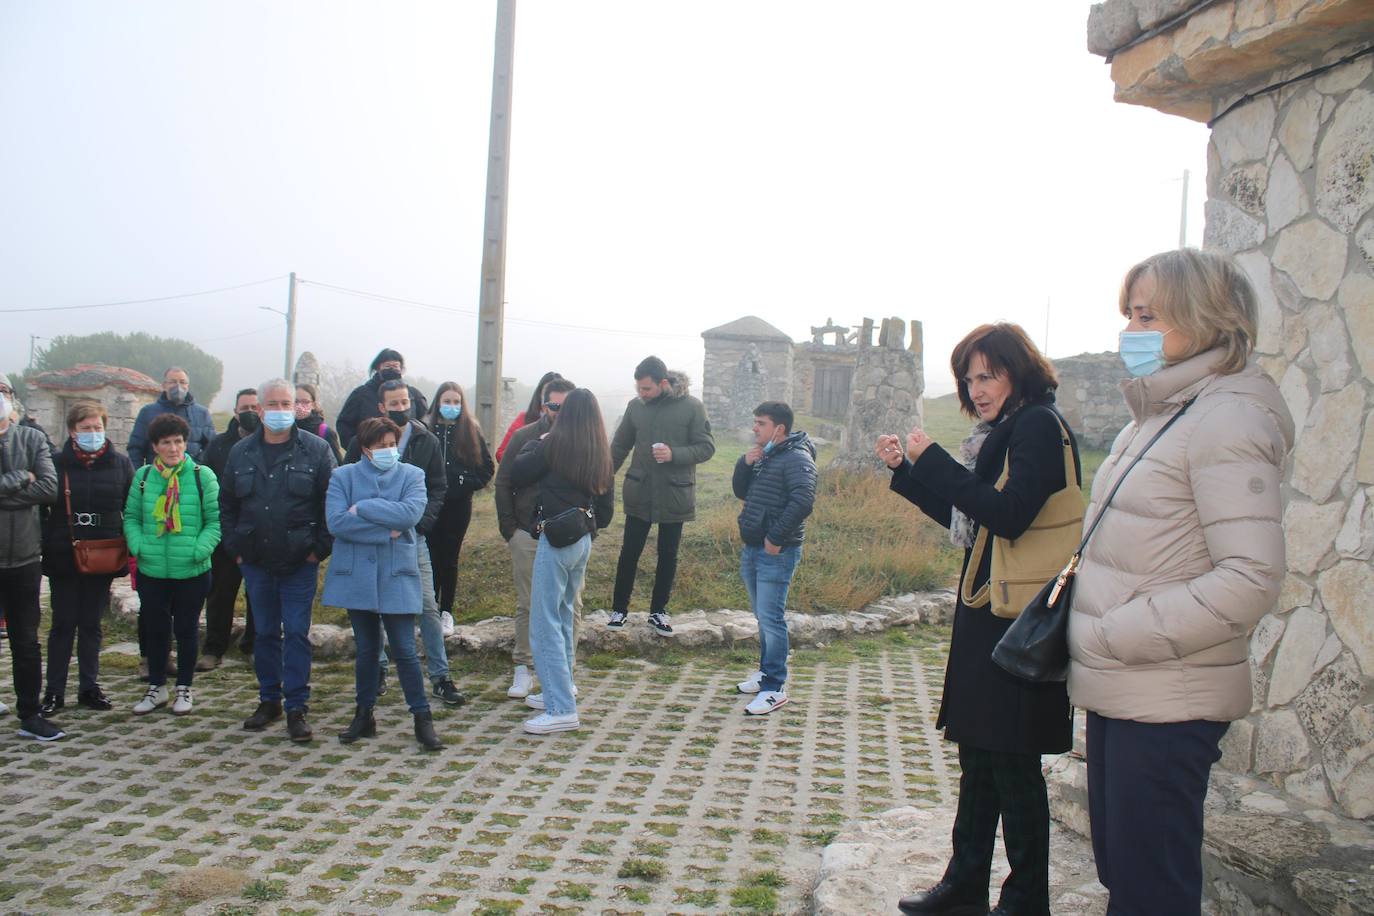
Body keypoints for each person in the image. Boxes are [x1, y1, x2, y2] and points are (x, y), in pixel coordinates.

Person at [1069, 249, 1293, 916]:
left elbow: (1251, 576)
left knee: (1152, 892)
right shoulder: (1167, 410)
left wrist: (1118, 633)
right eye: (1129, 316)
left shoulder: (1228, 417)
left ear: (1205, 318)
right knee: (1126, 874)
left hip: (1166, 691)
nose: (1131, 332)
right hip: (1128, 686)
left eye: (1148, 317)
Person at [884, 323, 1080, 916]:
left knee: (1014, 764)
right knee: (980, 757)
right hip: (990, 615)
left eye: (989, 375)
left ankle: (1026, 899)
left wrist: (935, 461)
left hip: (1017, 620)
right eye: (969, 379)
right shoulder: (1003, 432)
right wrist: (909, 473)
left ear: (1018, 372)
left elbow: (1011, 515)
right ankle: (965, 885)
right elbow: (973, 520)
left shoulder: (1037, 426)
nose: (977, 388)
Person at [220, 378, 336, 742]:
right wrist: (236, 549)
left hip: (300, 561)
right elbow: (227, 505)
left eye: (287, 404)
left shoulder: (316, 450)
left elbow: (332, 502)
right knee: (265, 633)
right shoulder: (241, 452)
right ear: (259, 409)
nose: (281, 411)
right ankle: (269, 700)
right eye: (273, 404)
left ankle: (297, 706)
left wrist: (319, 549)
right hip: (256, 561)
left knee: (297, 633)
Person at [342, 380, 465, 706]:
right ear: (381, 407)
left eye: (404, 402)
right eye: (394, 404)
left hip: (413, 539)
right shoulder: (360, 442)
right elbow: (349, 485)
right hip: (372, 541)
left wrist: (421, 522)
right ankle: (378, 671)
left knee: (428, 607)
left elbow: (438, 487)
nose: (401, 408)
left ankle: (441, 676)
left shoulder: (426, 440)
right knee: (374, 606)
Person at [324, 417, 442, 751]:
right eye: (381, 446)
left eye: (392, 445)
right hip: (357, 576)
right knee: (366, 649)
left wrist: (362, 507)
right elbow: (337, 522)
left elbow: (409, 516)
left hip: (396, 574)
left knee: (404, 649)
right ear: (365, 449)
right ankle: (363, 715)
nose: (389, 451)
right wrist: (385, 530)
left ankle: (422, 718)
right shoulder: (343, 476)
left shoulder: (412, 475)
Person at [510, 388, 614, 735]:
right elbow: (607, 510)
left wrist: (539, 443)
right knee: (565, 614)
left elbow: (518, 472)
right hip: (582, 538)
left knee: (545, 623)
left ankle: (561, 708)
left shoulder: (552, 445)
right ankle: (562, 687)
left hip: (556, 539)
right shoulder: (601, 451)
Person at [608, 356, 715, 636]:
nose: (641, 394)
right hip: (640, 490)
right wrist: (601, 477)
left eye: (646, 388)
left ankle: (658, 612)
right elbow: (619, 446)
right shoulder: (635, 407)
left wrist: (674, 454)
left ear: (663, 383)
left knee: (668, 554)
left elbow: (706, 447)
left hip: (674, 492)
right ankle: (619, 610)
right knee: (629, 552)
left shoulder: (692, 407)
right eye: (639, 388)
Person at [40, 400, 134, 714]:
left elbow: (131, 506)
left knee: (92, 623)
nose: (93, 432)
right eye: (86, 428)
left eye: (97, 427)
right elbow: (42, 506)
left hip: (103, 553)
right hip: (64, 553)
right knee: (63, 624)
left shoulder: (121, 464)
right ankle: (54, 691)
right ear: (72, 431)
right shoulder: (56, 463)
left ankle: (89, 687)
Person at [124, 413, 221, 715]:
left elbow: (215, 521)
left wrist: (199, 549)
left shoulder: (202, 476)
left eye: (178, 441)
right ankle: (156, 687)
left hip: (192, 569)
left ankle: (184, 688)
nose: (173, 448)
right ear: (155, 446)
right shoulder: (143, 477)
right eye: (166, 442)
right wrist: (139, 546)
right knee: (155, 630)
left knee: (187, 629)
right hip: (152, 568)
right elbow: (131, 518)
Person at [731, 401, 816, 717]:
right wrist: (745, 463)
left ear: (779, 428)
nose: (754, 428)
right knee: (762, 616)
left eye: (761, 423)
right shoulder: (767, 455)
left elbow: (803, 500)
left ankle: (774, 688)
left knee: (771, 617)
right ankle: (766, 672)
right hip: (753, 548)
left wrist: (776, 538)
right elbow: (743, 492)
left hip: (775, 552)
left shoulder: (796, 458)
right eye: (755, 421)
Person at [494, 378, 577, 699]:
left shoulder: (582, 438)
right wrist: (510, 529)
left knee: (569, 603)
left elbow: (600, 480)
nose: (559, 412)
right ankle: (524, 668)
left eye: (566, 406)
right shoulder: (524, 436)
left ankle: (565, 672)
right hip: (528, 531)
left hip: (569, 533)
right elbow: (503, 482)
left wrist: (592, 526)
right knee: (529, 602)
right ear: (544, 406)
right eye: (554, 406)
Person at [0, 378, 62, 740]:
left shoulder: (32, 439)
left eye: (3, 391)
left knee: (25, 641)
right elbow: (34, 484)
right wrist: (21, 478)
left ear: (12, 397)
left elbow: (49, 488)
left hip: (24, 558)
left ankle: (30, 714)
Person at [197, 388, 261, 670]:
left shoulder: (270, 442)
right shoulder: (219, 445)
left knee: (257, 594)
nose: (250, 412)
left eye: (255, 407)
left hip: (260, 533)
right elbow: (206, 484)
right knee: (220, 593)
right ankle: (213, 649)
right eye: (244, 408)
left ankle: (254, 645)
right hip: (226, 531)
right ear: (235, 412)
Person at [424, 382, 493, 635]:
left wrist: (464, 483)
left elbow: (486, 469)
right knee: (430, 557)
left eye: (456, 402)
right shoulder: (426, 430)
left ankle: (447, 611)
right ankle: (429, 610)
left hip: (458, 506)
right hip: (430, 505)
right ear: (437, 403)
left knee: (449, 559)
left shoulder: (471, 430)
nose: (451, 406)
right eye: (447, 401)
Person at [335, 349, 429, 449]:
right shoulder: (360, 394)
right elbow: (344, 424)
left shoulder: (414, 394)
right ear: (377, 368)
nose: (391, 369)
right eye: (387, 366)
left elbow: (425, 421)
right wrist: (359, 448)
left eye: (395, 366)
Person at [126, 367, 215, 467]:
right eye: (173, 382)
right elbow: (135, 449)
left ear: (187, 386)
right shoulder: (147, 412)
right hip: (157, 473)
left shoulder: (202, 413)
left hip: (191, 474)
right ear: (164, 385)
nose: (178, 386)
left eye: (182, 382)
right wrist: (140, 474)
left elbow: (211, 447)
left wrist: (197, 465)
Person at [495, 371, 561, 462]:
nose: (550, 395)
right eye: (547, 391)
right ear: (539, 394)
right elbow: (501, 454)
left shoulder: (570, 425)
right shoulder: (524, 419)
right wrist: (525, 461)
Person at [294, 382, 343, 465]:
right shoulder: (283, 429)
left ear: (313, 404)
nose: (299, 406)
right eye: (295, 401)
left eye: (305, 402)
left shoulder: (325, 432)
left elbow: (337, 465)